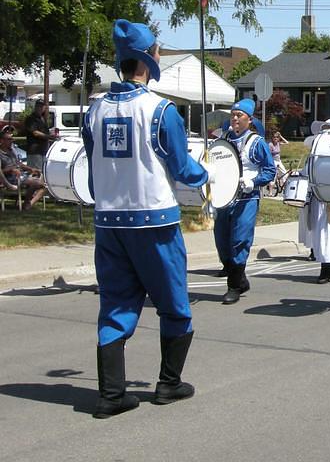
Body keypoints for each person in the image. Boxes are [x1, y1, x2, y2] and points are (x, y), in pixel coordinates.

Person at [81, 20, 209, 418]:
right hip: (155, 223)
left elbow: (93, 169)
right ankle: (169, 383)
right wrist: (207, 174)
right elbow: (183, 169)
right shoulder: (161, 110)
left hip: (109, 223)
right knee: (173, 303)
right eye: (157, 51)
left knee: (115, 305)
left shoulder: (93, 110)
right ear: (147, 58)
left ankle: (111, 394)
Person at [214, 99, 276, 304]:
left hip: (246, 197)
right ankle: (240, 279)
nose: (235, 118)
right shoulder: (223, 139)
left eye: (239, 115)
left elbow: (269, 170)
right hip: (224, 198)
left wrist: (254, 181)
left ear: (249, 120)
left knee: (239, 240)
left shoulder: (256, 142)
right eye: (233, 114)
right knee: (222, 240)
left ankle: (233, 286)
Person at [300, 119, 330, 283]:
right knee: (320, 232)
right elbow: (307, 171)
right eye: (324, 130)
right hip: (318, 197)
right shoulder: (314, 153)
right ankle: (329, 266)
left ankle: (329, 267)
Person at [1, 125, 47, 208]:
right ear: (2, 140)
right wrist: (11, 169)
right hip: (10, 179)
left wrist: (31, 169)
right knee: (38, 183)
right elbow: (1, 172)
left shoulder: (12, 150)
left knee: (45, 182)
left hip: (21, 175)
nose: (12, 141)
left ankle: (27, 204)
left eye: (12, 139)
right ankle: (26, 204)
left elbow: (19, 164)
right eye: (9, 139)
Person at [24, 99, 57, 170]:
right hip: (34, 151)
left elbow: (45, 131)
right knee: (35, 173)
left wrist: (51, 135)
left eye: (42, 106)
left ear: (44, 108)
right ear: (35, 107)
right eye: (38, 106)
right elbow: (35, 132)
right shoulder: (31, 119)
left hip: (43, 151)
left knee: (43, 172)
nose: (40, 108)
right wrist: (48, 136)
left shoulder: (42, 118)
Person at [266, 130, 288, 196]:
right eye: (274, 137)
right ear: (272, 138)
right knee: (273, 176)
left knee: (285, 173)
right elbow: (268, 154)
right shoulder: (270, 144)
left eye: (277, 137)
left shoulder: (278, 143)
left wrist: (280, 136)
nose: (275, 138)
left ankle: (283, 187)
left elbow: (287, 142)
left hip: (279, 161)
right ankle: (270, 192)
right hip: (273, 161)